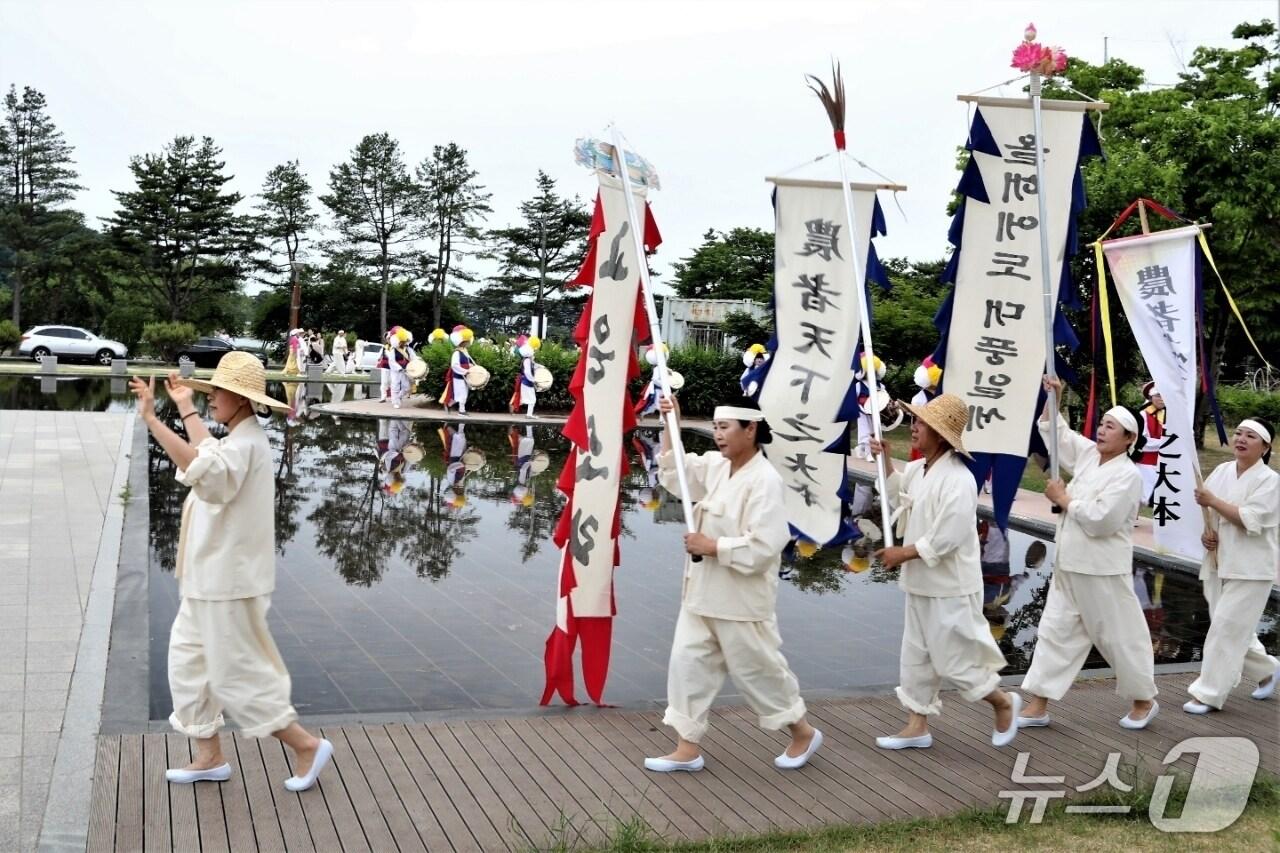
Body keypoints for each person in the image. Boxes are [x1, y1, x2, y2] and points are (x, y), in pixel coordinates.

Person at [129, 353, 333, 791]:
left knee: (236, 677)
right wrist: (183, 405)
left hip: (228, 583)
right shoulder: (239, 438)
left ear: (241, 400)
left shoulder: (247, 445)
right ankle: (209, 757)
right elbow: (208, 452)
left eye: (217, 393)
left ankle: (306, 746)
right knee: (188, 666)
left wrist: (152, 420)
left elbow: (203, 471)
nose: (212, 399)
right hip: (209, 580)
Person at [643, 394, 822, 773]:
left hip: (741, 602)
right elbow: (677, 475)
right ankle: (687, 747)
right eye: (716, 428)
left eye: (725, 428)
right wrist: (669, 423)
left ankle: (803, 731)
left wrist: (713, 545)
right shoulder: (716, 466)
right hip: (701, 594)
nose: (718, 436)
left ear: (750, 429)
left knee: (759, 674)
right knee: (687, 665)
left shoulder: (765, 481)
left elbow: (765, 546)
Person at [869, 394, 1020, 750]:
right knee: (916, 656)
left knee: (955, 661)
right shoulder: (921, 469)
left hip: (950, 587)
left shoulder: (959, 479)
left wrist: (902, 553)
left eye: (920, 423)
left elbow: (946, 538)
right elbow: (898, 496)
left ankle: (1001, 701)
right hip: (922, 584)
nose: (914, 427)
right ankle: (916, 725)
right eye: (915, 421)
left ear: (939, 433)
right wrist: (886, 461)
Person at [1018, 376, 1159, 730]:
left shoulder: (1127, 476)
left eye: (1111, 427)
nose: (1102, 430)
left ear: (1129, 439)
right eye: (1102, 424)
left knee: (1119, 636)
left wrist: (1064, 500)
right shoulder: (1088, 456)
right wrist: (1056, 396)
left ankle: (1144, 700)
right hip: (1070, 563)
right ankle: (1038, 703)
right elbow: (1056, 433)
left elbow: (1101, 521)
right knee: (1055, 630)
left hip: (1101, 570)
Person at [1184, 417, 1279, 713]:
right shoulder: (1223, 470)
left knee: (1225, 629)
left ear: (1265, 447)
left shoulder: (1271, 481)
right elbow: (1207, 513)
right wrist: (1207, 534)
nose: (1241, 439)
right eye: (1238, 433)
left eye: (1251, 436)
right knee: (1233, 627)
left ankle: (1208, 693)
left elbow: (1251, 519)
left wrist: (1212, 501)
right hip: (1218, 562)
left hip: (1251, 568)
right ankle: (1268, 670)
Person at [1136, 381, 1166, 503]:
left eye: (1164, 395)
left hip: (1163, 463)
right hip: (1146, 463)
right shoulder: (1143, 415)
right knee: (1142, 497)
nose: (1162, 399)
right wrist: (1165, 442)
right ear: (1150, 397)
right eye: (1158, 395)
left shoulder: (1167, 415)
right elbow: (1141, 442)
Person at [439, 325, 475, 415]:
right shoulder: (456, 352)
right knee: (462, 394)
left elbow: (468, 362)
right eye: (467, 341)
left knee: (462, 394)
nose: (468, 343)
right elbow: (454, 365)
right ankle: (461, 411)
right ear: (462, 341)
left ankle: (448, 404)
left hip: (465, 375)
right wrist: (465, 370)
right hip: (458, 376)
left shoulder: (465, 351)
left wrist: (472, 366)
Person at [509, 334, 541, 418]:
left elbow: (534, 365)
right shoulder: (527, 360)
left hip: (526, 382)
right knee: (531, 399)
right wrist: (533, 380)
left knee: (529, 399)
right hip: (527, 382)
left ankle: (527, 413)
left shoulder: (528, 360)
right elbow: (527, 372)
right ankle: (528, 414)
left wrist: (541, 367)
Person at [387, 327, 412, 409]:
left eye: (404, 341)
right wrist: (399, 368)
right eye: (402, 341)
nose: (404, 343)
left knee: (407, 387)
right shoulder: (393, 350)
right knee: (395, 386)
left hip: (406, 370)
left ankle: (398, 397)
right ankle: (395, 402)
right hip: (396, 370)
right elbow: (391, 361)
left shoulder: (408, 349)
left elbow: (413, 357)